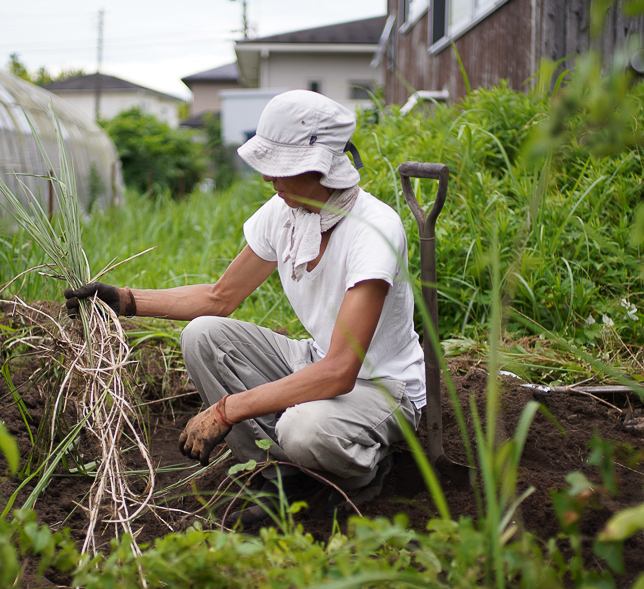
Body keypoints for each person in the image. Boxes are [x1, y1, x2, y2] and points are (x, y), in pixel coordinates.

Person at [65, 90, 426, 526]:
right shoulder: (287, 213)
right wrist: (124, 300)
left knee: (303, 429)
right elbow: (220, 298)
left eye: (281, 170)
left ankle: (362, 473)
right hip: (316, 359)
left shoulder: (373, 230)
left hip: (380, 385)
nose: (269, 181)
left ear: (321, 168)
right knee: (203, 335)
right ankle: (284, 478)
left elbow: (341, 370)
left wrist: (227, 409)